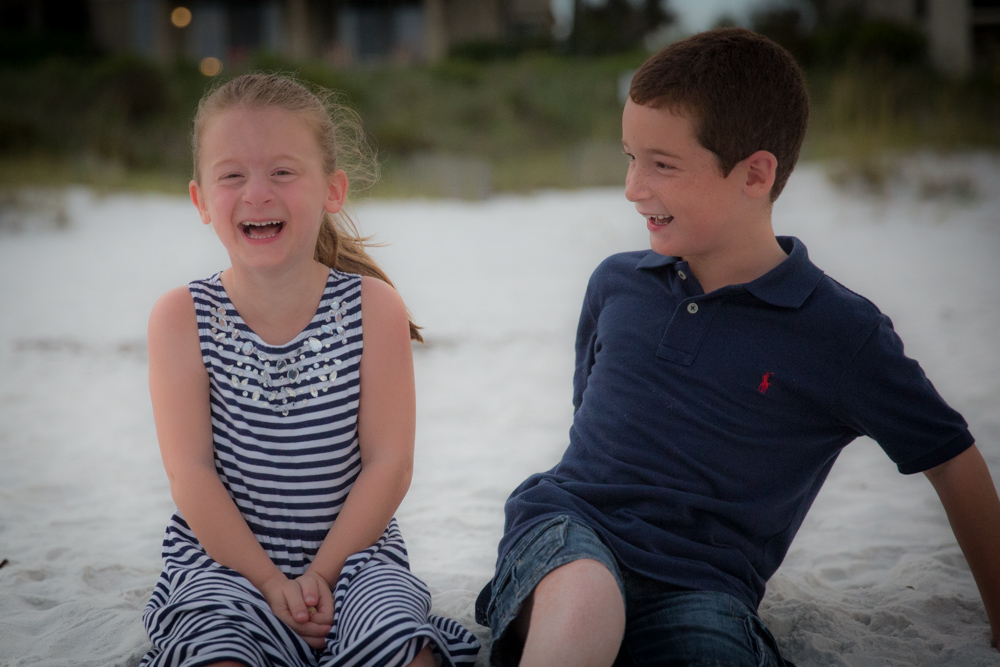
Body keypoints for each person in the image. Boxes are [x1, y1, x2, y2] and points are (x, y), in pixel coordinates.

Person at [474, 27, 1000, 667]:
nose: (633, 187)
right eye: (629, 157)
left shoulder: (838, 331)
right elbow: (589, 419)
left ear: (755, 173)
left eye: (662, 164)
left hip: (705, 585)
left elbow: (951, 459)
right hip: (567, 538)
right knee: (586, 601)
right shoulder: (617, 283)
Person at [141, 73, 479, 667]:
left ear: (332, 190)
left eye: (283, 171)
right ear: (200, 200)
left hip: (357, 559)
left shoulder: (373, 307)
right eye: (232, 175)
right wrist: (271, 582)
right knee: (218, 653)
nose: (257, 193)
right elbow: (190, 475)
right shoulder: (181, 317)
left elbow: (389, 465)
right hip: (225, 566)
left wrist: (322, 575)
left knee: (407, 650)